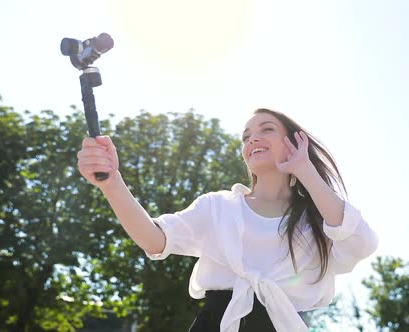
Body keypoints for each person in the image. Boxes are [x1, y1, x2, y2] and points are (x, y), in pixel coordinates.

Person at [77, 108, 378, 332]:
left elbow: (361, 243)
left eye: (267, 129)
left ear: (294, 142)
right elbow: (155, 238)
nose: (253, 138)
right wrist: (112, 182)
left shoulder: (317, 219)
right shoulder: (219, 207)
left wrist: (305, 171)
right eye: (246, 137)